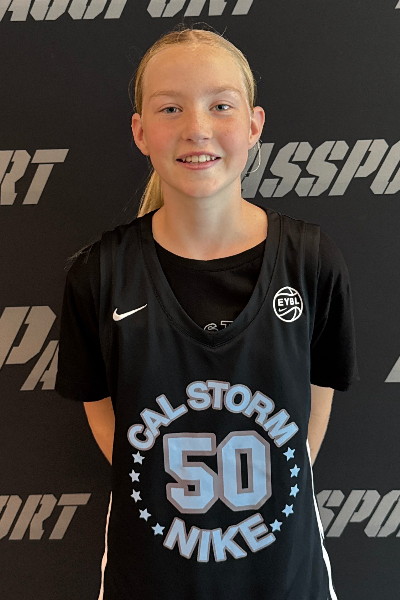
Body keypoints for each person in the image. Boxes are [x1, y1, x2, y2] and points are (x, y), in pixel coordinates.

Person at [55, 24, 360, 600]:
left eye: (221, 105)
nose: (197, 128)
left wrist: (258, 491)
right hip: (149, 575)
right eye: (170, 108)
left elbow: (314, 405)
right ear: (140, 132)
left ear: (254, 124)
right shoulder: (100, 274)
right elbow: (103, 413)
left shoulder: (311, 260)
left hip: (283, 576)